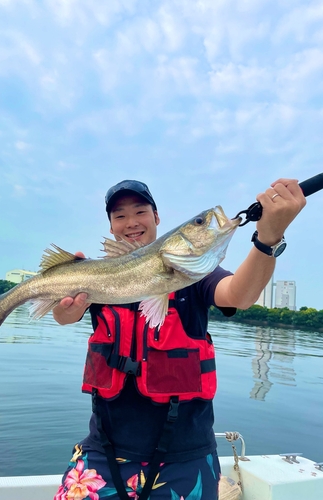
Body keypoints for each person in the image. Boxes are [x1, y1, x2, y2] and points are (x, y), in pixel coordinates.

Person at [52, 178, 306, 500]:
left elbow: (240, 295)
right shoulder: (99, 275)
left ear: (157, 217)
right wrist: (65, 311)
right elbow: (63, 316)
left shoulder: (196, 274)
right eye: (119, 215)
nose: (131, 222)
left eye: (140, 211)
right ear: (111, 225)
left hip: (185, 456)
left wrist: (268, 239)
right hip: (103, 451)